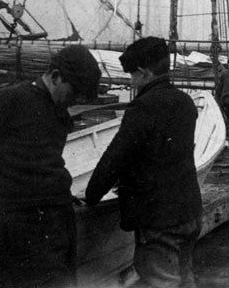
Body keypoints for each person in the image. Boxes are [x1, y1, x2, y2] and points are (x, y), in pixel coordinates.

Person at [0, 45, 102, 288]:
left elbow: (48, 162)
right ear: (55, 76)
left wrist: (62, 194)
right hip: (24, 224)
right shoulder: (8, 100)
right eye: (74, 92)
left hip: (60, 219)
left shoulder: (60, 112)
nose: (74, 101)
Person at [85, 37, 202, 288]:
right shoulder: (185, 102)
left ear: (143, 73)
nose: (131, 82)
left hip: (159, 217)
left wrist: (91, 194)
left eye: (132, 76)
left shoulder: (143, 107)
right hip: (189, 209)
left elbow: (116, 157)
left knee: (162, 281)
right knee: (184, 276)